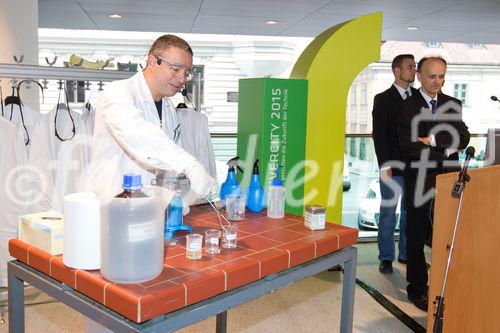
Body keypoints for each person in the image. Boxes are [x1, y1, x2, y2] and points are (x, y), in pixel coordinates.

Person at [87, 34, 215, 201]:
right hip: (114, 203)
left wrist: (176, 200)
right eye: (176, 69)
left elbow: (169, 158)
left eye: (187, 72)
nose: (182, 79)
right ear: (152, 62)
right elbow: (136, 134)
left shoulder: (168, 107)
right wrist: (189, 165)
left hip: (151, 206)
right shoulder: (119, 92)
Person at [397, 56, 470, 311]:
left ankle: (444, 285)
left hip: (450, 179)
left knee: (448, 235)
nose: (437, 81)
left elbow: (463, 136)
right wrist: (447, 148)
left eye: (441, 76)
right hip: (419, 179)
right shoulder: (407, 107)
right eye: (432, 76)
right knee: (416, 236)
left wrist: (432, 140)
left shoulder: (452, 103)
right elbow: (409, 147)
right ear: (418, 75)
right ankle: (417, 289)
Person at [372, 54, 417, 274]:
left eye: (415, 66)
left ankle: (406, 254)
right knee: (389, 212)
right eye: (410, 67)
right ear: (396, 70)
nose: (414, 70)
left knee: (411, 213)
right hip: (391, 167)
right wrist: (384, 166)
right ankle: (386, 257)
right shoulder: (383, 99)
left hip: (415, 167)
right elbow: (379, 136)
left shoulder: (419, 97)